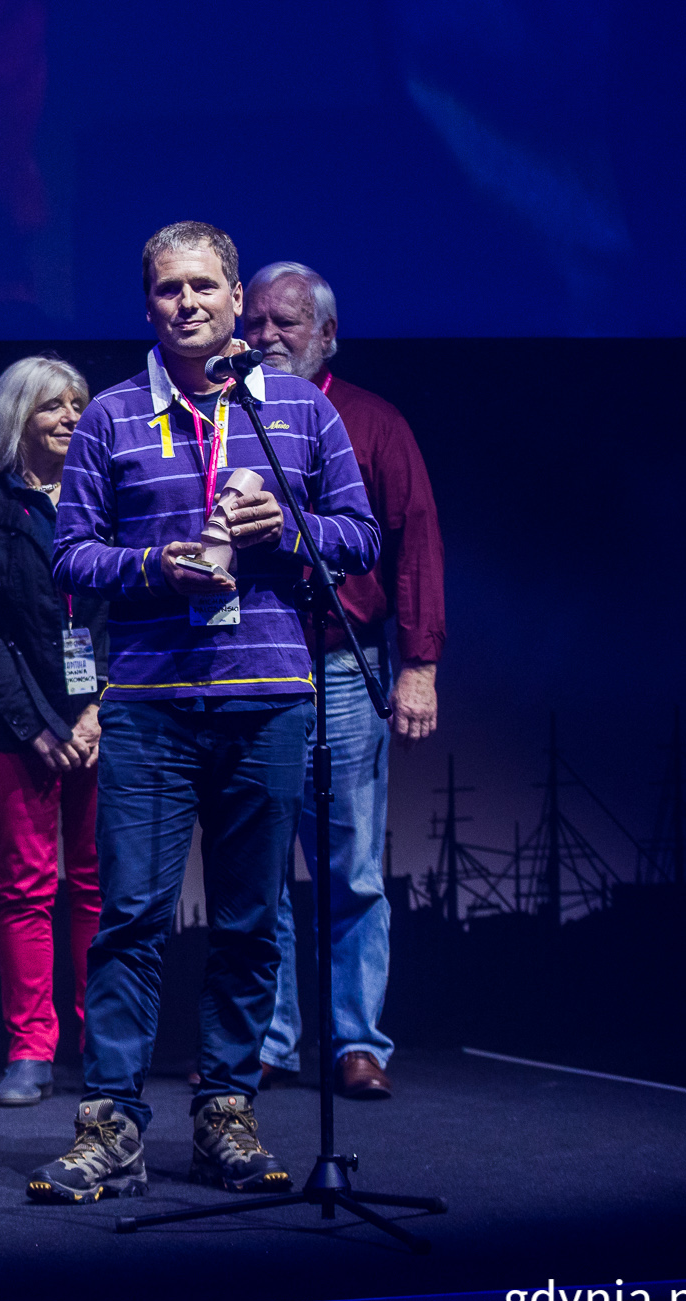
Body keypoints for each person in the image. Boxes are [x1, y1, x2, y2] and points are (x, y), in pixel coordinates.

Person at [26, 222, 380, 1204]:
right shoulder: (107, 417)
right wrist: (151, 564)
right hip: (147, 705)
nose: (185, 304)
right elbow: (69, 557)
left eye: (203, 288)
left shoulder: (298, 415)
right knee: (129, 920)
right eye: (166, 290)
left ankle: (225, 1114)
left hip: (268, 701)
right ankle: (108, 1129)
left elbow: (357, 539)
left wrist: (288, 529)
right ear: (146, 305)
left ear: (234, 300)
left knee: (248, 921)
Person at [243, 261, 445, 1101]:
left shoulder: (370, 420)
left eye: (286, 322)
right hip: (251, 660)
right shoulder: (226, 418)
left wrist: (420, 666)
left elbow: (416, 541)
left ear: (327, 333)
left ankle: (359, 1041)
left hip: (345, 661)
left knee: (351, 865)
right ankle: (268, 1039)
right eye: (255, 322)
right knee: (259, 866)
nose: (266, 337)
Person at [0, 357, 112, 1107]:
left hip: (104, 720)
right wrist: (39, 725)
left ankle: (103, 1043)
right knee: (27, 887)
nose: (72, 415)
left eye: (79, 402)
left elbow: (123, 611)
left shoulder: (109, 499)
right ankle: (30, 1049)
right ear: (20, 417)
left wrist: (98, 709)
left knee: (100, 886)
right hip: (18, 728)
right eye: (54, 405)